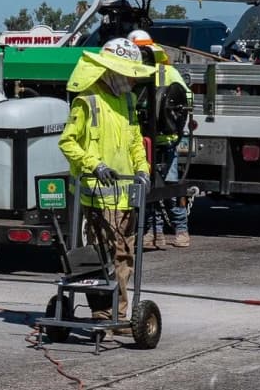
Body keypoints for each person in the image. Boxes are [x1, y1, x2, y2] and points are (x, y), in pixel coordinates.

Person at [58, 38, 153, 321]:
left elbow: (135, 140)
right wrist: (95, 165)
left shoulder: (127, 100)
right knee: (101, 256)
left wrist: (143, 170)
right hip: (100, 196)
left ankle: (118, 313)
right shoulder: (87, 101)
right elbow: (68, 142)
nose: (133, 81)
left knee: (124, 255)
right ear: (112, 71)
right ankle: (105, 312)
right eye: (128, 74)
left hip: (126, 193)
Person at [129, 29, 193, 251]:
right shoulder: (134, 76)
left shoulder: (166, 73)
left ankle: (180, 230)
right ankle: (153, 232)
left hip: (165, 140)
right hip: (147, 140)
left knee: (170, 186)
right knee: (149, 187)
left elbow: (185, 99)